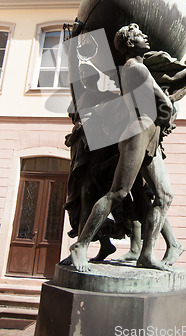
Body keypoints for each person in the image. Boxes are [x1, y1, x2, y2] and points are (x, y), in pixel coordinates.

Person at [70, 24, 175, 271]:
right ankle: (81, 245)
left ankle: (147, 255)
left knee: (164, 195)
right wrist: (169, 111)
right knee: (118, 192)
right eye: (139, 36)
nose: (145, 37)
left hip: (147, 131)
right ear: (129, 44)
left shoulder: (130, 69)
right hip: (138, 130)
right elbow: (164, 105)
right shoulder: (137, 68)